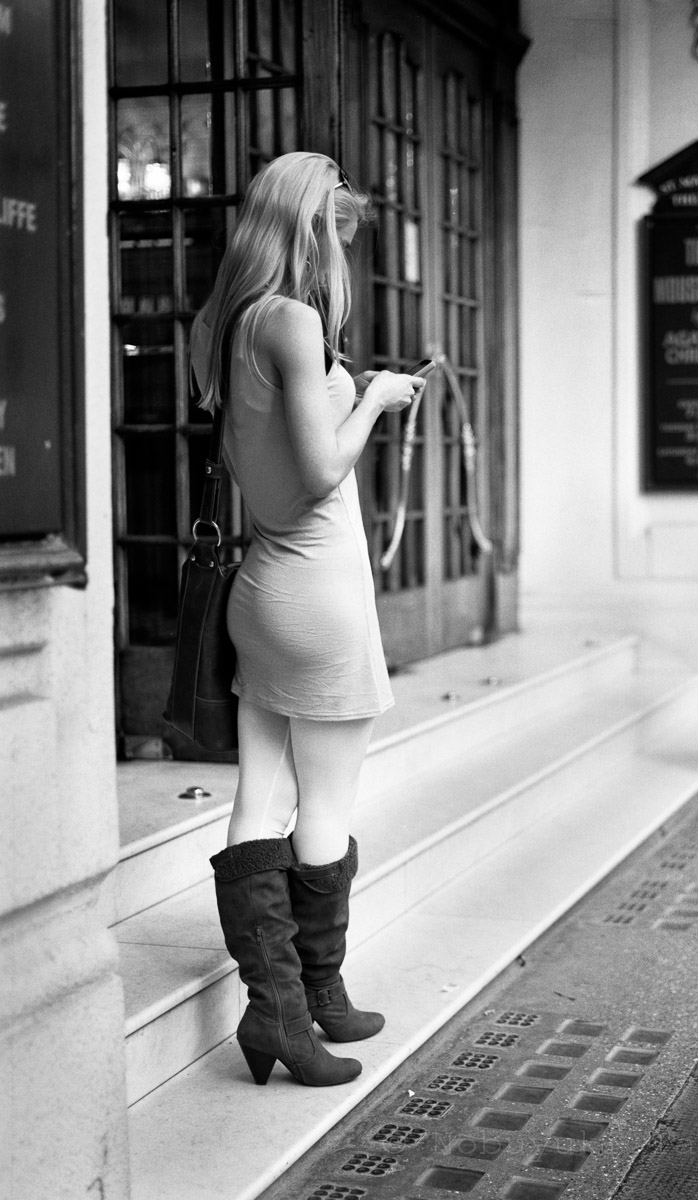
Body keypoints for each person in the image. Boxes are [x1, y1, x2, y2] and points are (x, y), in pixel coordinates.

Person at [190, 152, 427, 1086]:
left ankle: (300, 1008)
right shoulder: (291, 320)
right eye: (336, 230)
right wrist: (372, 395)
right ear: (304, 228)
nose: (342, 250)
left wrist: (343, 389)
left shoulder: (229, 322)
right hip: (318, 586)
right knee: (322, 804)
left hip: (261, 584)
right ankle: (293, 1009)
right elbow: (324, 471)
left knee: (260, 794)